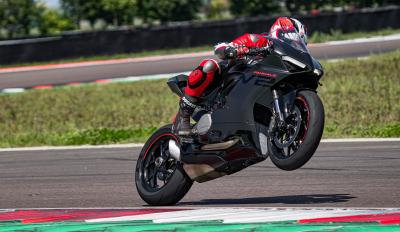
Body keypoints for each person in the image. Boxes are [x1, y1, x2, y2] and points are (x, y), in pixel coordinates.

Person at [174, 17, 308, 135]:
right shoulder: (259, 40)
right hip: (226, 84)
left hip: (252, 92)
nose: (294, 43)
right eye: (292, 38)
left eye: (298, 42)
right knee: (209, 65)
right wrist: (233, 50)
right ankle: (184, 115)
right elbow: (220, 48)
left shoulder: (283, 60)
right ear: (280, 32)